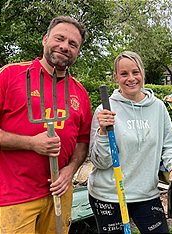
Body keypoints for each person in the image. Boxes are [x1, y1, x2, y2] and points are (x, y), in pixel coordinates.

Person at [0, 16, 92, 233]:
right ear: (45, 39)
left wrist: (70, 171)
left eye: (73, 44)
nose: (64, 46)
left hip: (60, 193)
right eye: (59, 38)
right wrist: (31, 143)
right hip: (15, 195)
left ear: (77, 52)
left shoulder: (79, 92)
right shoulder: (10, 76)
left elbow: (82, 140)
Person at [88, 51, 172, 233]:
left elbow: (169, 145)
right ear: (116, 77)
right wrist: (103, 132)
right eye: (124, 74)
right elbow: (100, 162)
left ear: (142, 73)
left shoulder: (157, 107)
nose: (131, 78)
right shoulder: (105, 110)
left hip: (146, 193)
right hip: (110, 195)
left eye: (135, 72)